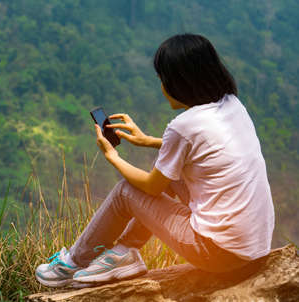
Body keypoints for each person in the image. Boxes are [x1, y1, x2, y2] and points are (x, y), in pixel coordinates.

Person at [35, 33, 275, 288]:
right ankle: (123, 252)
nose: (161, 87)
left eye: (163, 79)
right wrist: (149, 140)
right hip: (254, 247)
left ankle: (72, 263)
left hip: (217, 253)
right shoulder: (232, 105)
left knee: (126, 192)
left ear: (179, 83)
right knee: (171, 175)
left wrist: (112, 156)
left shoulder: (184, 126)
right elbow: (210, 152)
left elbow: (152, 187)